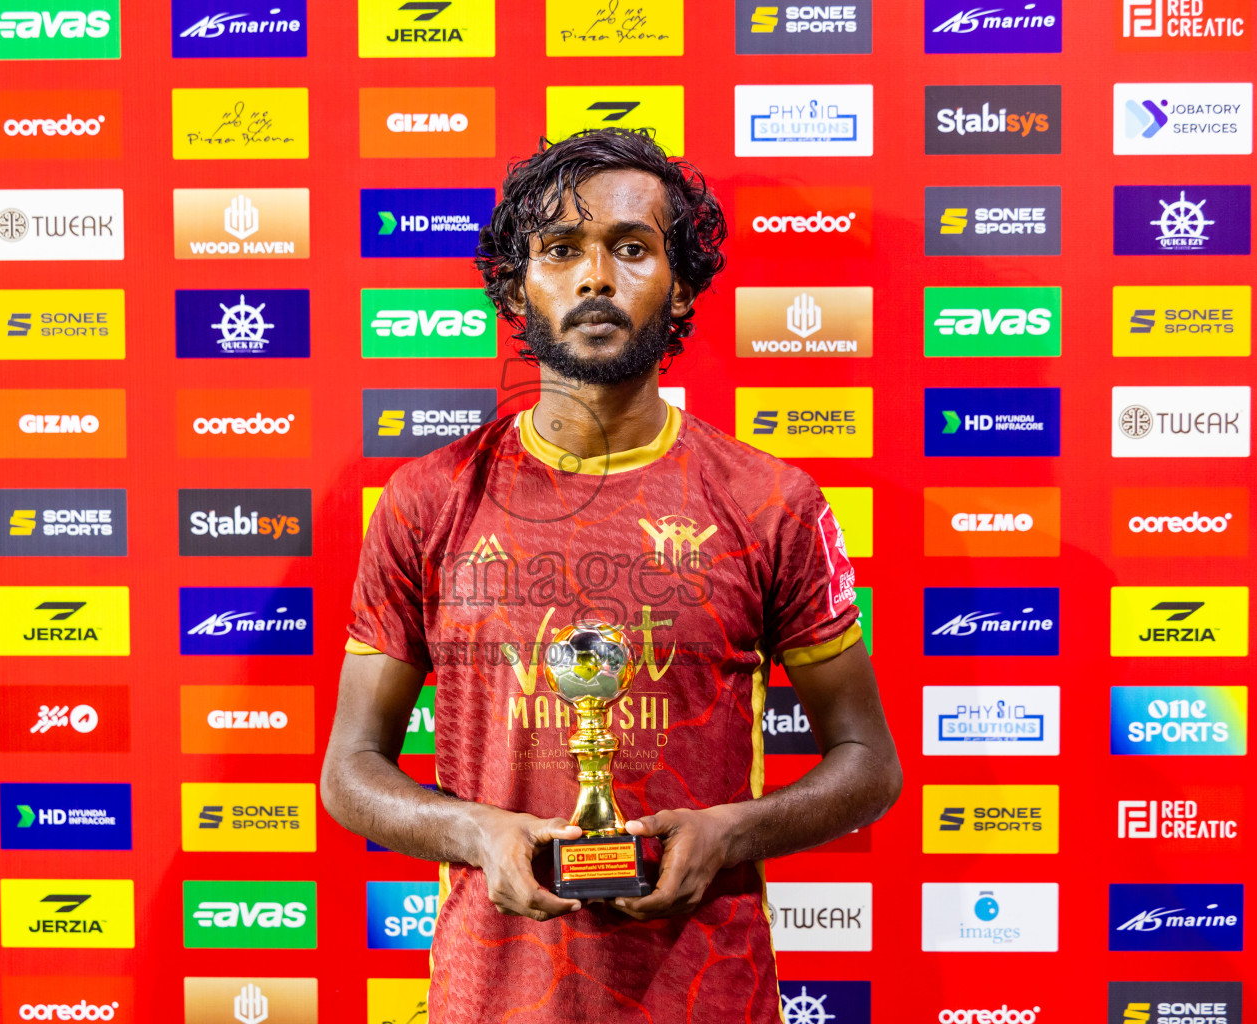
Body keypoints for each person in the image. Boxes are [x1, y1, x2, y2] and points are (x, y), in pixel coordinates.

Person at [321, 127, 902, 1024]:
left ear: (680, 289)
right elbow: (351, 770)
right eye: (561, 250)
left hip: (707, 994)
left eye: (632, 248)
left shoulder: (768, 501)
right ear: (517, 289)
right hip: (494, 998)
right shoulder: (427, 500)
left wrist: (728, 832)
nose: (596, 277)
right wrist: (477, 832)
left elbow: (868, 763)